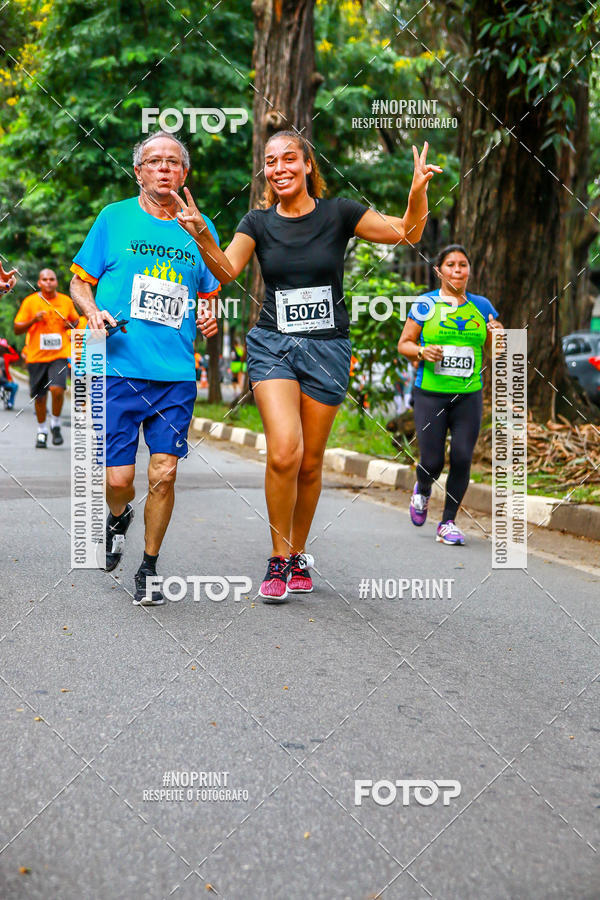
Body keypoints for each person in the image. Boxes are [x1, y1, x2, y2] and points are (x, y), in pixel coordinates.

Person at [170, 131, 441, 602]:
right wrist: (198, 233)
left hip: (328, 348)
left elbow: (408, 232)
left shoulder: (340, 213)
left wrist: (416, 193)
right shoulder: (256, 222)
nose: (279, 169)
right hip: (273, 344)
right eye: (271, 161)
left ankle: (297, 552)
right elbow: (226, 271)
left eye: (289, 159)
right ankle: (278, 558)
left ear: (309, 165)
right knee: (284, 453)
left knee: (311, 464)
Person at [70, 130, 219, 606]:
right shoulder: (113, 219)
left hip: (174, 374)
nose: (163, 169)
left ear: (184, 173)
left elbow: (212, 293)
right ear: (138, 171)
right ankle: (118, 518)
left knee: (164, 473)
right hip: (116, 368)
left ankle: (150, 566)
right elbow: (79, 284)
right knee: (118, 481)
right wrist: (90, 311)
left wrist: (211, 313)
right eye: (153, 162)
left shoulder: (200, 227)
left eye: (172, 162)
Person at [397, 244, 503, 545]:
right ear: (439, 271)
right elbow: (403, 344)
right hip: (430, 393)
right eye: (451, 265)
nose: (458, 270)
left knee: (461, 458)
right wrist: (421, 350)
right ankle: (422, 488)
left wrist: (498, 333)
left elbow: (497, 351)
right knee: (432, 462)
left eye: (463, 265)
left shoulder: (483, 306)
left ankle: (447, 522)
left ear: (469, 270)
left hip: (468, 395)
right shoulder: (425, 304)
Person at [14, 269, 80, 447]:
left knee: (58, 390)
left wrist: (70, 325)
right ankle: (42, 430)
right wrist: (33, 320)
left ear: (56, 282)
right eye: (45, 279)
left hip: (59, 355)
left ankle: (56, 423)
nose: (49, 282)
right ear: (39, 283)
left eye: (52, 279)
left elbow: (76, 322)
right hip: (36, 357)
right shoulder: (31, 302)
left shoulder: (65, 301)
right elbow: (17, 328)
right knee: (40, 397)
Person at [0, 338, 19, 408]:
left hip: (5, 380)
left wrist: (9, 347)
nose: (1, 349)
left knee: (14, 386)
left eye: (3, 347)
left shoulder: (7, 357)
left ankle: (10, 403)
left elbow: (16, 357)